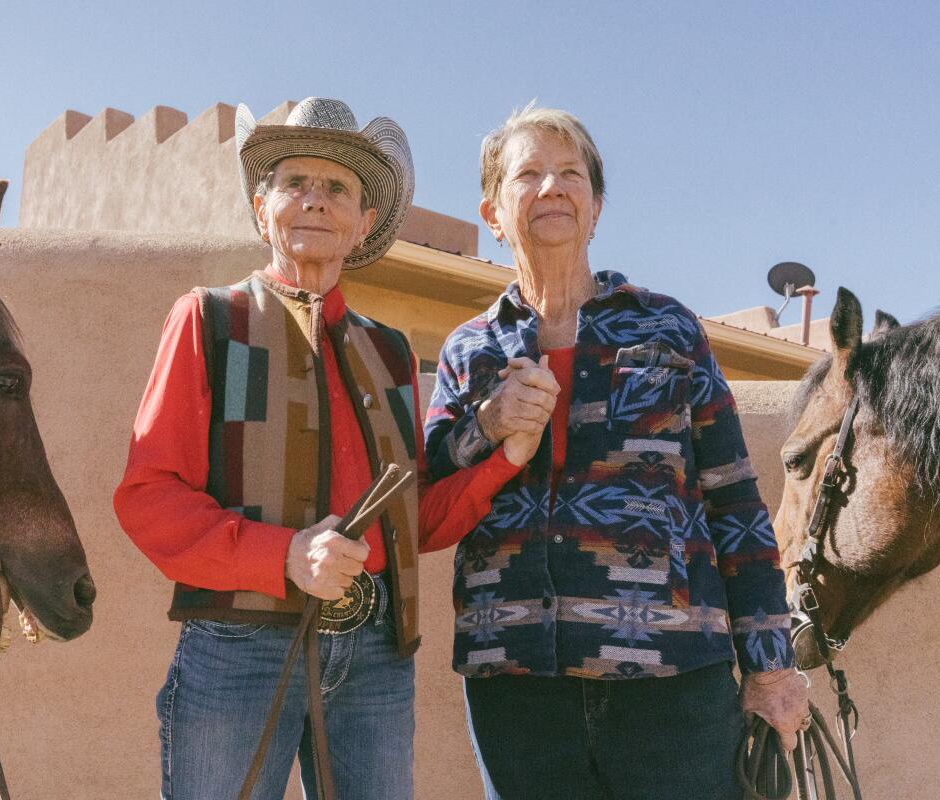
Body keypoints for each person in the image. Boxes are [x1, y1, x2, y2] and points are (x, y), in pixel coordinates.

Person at [114, 97, 504, 800]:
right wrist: (284, 557)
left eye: (338, 189)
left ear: (361, 225)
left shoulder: (388, 350)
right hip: (241, 647)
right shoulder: (208, 318)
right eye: (295, 182)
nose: (315, 201)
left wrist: (506, 451)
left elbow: (412, 520)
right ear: (263, 209)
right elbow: (149, 498)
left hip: (379, 654)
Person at [423, 104, 809, 800]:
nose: (552, 188)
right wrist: (486, 424)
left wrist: (771, 666)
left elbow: (738, 507)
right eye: (529, 174)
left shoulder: (669, 328)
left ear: (596, 207)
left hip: (673, 685)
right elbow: (428, 498)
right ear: (492, 212)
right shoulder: (467, 350)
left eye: (570, 174)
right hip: (518, 691)